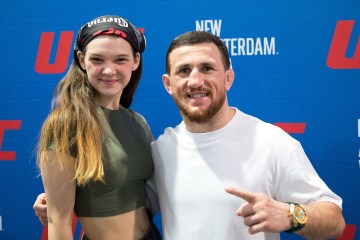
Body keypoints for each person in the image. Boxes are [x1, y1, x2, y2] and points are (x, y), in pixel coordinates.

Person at [35, 30, 345, 239]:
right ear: (168, 84)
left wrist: (293, 216)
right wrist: (60, 204)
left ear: (228, 78)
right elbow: (129, 201)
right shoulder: (161, 147)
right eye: (184, 71)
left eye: (207, 68)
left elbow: (334, 219)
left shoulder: (273, 142)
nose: (195, 81)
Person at [35, 15, 161, 240]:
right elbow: (58, 222)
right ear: (82, 60)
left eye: (120, 60)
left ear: (136, 60)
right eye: (98, 60)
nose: (109, 70)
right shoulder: (65, 125)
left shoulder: (138, 121)